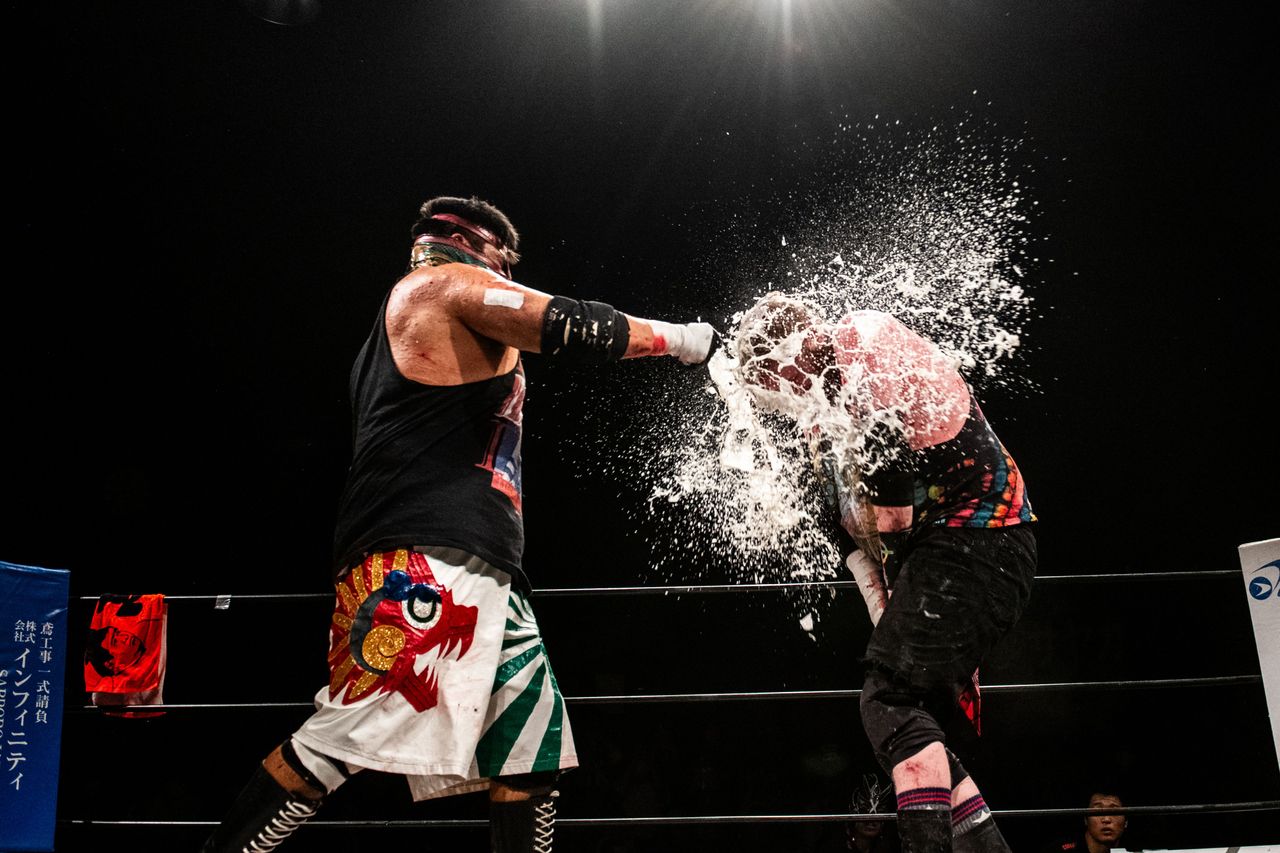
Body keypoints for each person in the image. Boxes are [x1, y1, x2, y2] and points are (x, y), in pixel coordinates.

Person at [201, 195, 717, 853]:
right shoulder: (438, 286)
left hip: (478, 564)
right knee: (347, 733)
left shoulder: (430, 312)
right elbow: (566, 323)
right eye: (504, 265)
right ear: (481, 251)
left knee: (531, 743)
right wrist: (679, 339)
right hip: (424, 557)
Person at [734, 293, 1038, 853]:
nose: (773, 402)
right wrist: (885, 613)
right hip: (945, 558)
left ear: (783, 360)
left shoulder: (864, 348)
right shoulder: (823, 427)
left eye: (766, 384)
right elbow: (853, 543)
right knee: (909, 725)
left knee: (891, 704)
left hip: (981, 544)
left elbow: (893, 511)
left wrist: (898, 601)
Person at [1047, 791, 1130, 853]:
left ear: (1126, 821)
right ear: (1086, 819)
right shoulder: (1058, 850)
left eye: (1114, 812)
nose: (1106, 819)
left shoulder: (1134, 850)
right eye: (1098, 812)